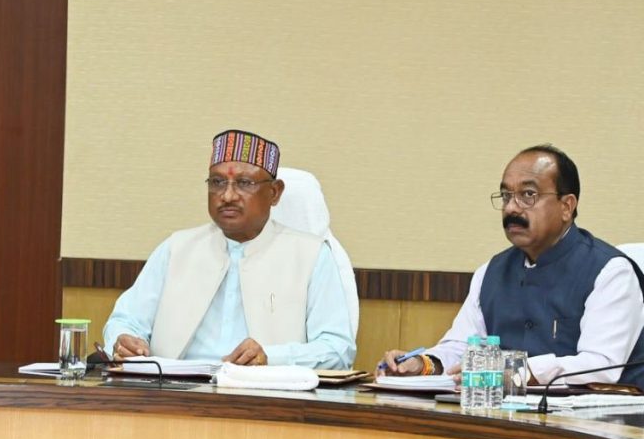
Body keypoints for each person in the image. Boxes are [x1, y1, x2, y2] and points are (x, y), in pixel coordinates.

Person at [379, 145, 644, 387]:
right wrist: (424, 364)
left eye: (528, 195)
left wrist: (517, 371)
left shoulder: (610, 272)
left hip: (598, 418)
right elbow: (462, 347)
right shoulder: (491, 272)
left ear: (566, 206)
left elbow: (601, 364)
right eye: (507, 196)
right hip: (506, 413)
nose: (511, 208)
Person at [103, 129, 355, 368]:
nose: (227, 196)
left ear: (274, 193)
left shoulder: (311, 256)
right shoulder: (176, 249)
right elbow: (125, 320)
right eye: (217, 182)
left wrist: (272, 357)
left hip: (265, 393)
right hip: (174, 391)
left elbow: (337, 349)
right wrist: (124, 340)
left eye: (244, 183)